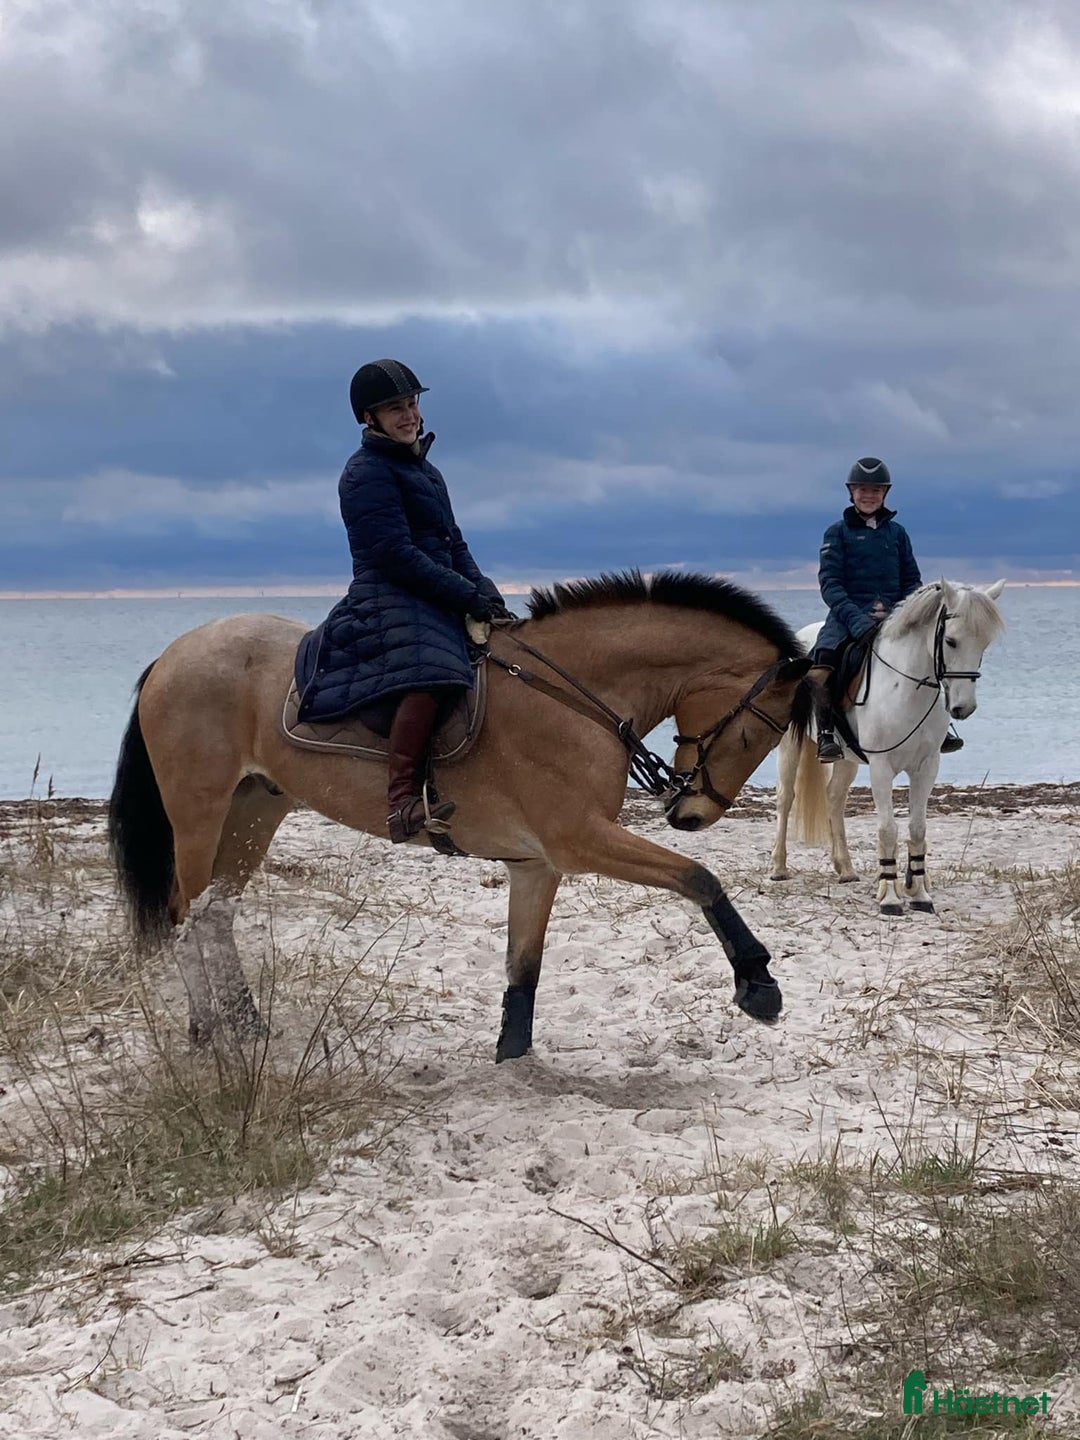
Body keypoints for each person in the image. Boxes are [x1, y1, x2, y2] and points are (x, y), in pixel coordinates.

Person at [297, 359, 512, 842]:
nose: (409, 415)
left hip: (433, 588)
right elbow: (394, 554)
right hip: (387, 592)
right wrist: (463, 593)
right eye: (395, 408)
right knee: (430, 670)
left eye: (412, 404)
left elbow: (454, 542)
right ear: (369, 417)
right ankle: (402, 801)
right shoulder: (365, 473)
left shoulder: (427, 471)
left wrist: (485, 592)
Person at [813, 456, 963, 760]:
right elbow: (831, 585)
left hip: (897, 615)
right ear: (852, 492)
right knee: (824, 660)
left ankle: (939, 726)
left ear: (885, 494)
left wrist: (906, 612)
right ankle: (826, 733)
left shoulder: (898, 534)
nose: (869, 496)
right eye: (862, 490)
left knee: (932, 655)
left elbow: (912, 580)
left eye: (876, 490)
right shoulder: (836, 533)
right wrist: (857, 621)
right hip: (848, 616)